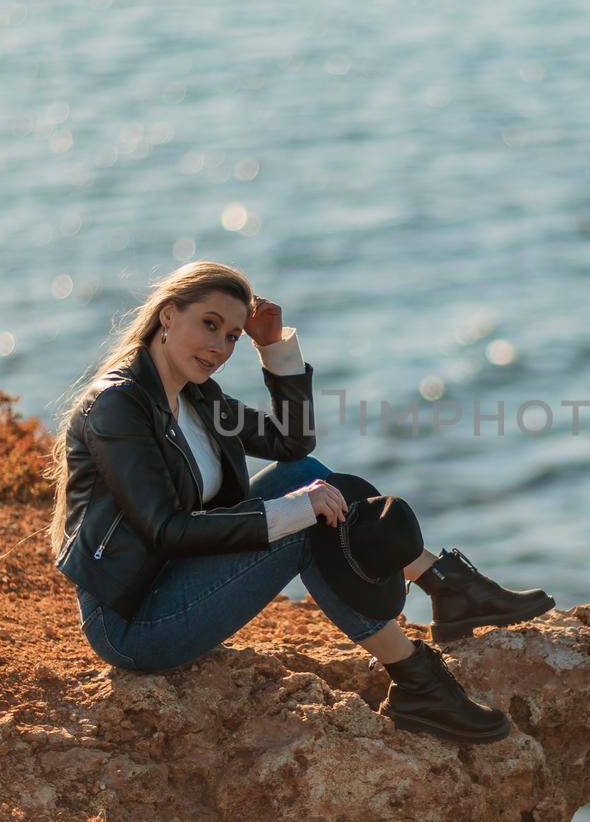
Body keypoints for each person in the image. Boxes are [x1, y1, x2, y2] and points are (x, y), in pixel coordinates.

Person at [47, 260, 555, 744]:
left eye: (230, 335)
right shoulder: (119, 405)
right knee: (304, 518)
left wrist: (272, 349)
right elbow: (166, 530)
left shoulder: (196, 397)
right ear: (168, 314)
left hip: (179, 580)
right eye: (208, 324)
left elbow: (292, 444)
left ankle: (446, 586)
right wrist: (296, 511)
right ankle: (418, 680)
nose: (219, 346)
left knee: (305, 476)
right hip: (134, 624)